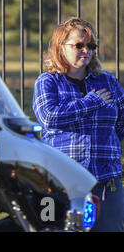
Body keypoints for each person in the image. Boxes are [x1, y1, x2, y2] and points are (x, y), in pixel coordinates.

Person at [32, 17, 124, 232]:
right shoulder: (48, 81)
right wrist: (91, 102)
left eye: (91, 46)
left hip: (105, 181)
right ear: (60, 47)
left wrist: (103, 145)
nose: (86, 51)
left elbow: (121, 123)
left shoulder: (108, 81)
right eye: (79, 45)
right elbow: (49, 117)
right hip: (61, 184)